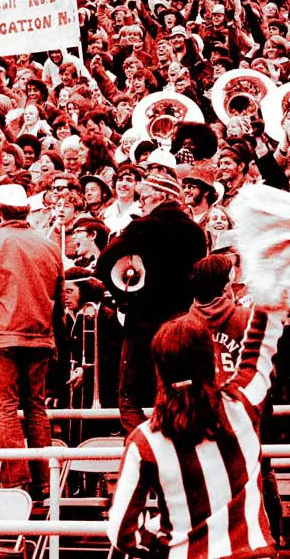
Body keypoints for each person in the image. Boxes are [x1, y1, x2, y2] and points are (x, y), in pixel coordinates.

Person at [106, 303, 287, 558]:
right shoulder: (242, 406)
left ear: (158, 370)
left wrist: (156, 543)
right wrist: (274, 283)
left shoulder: (144, 441)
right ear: (210, 360)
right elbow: (259, 348)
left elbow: (120, 532)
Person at [0, 183, 64, 496]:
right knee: (36, 407)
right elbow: (59, 300)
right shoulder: (48, 245)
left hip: (2, 335)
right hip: (40, 336)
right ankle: (44, 480)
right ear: (27, 211)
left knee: (6, 408)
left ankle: (16, 480)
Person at [96, 170, 208, 434]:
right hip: (181, 321)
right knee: (175, 393)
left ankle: (141, 454)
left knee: (129, 397)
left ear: (159, 195)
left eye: (144, 197)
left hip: (143, 321)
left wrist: (123, 293)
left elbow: (104, 262)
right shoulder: (195, 232)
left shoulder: (142, 227)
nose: (141, 202)